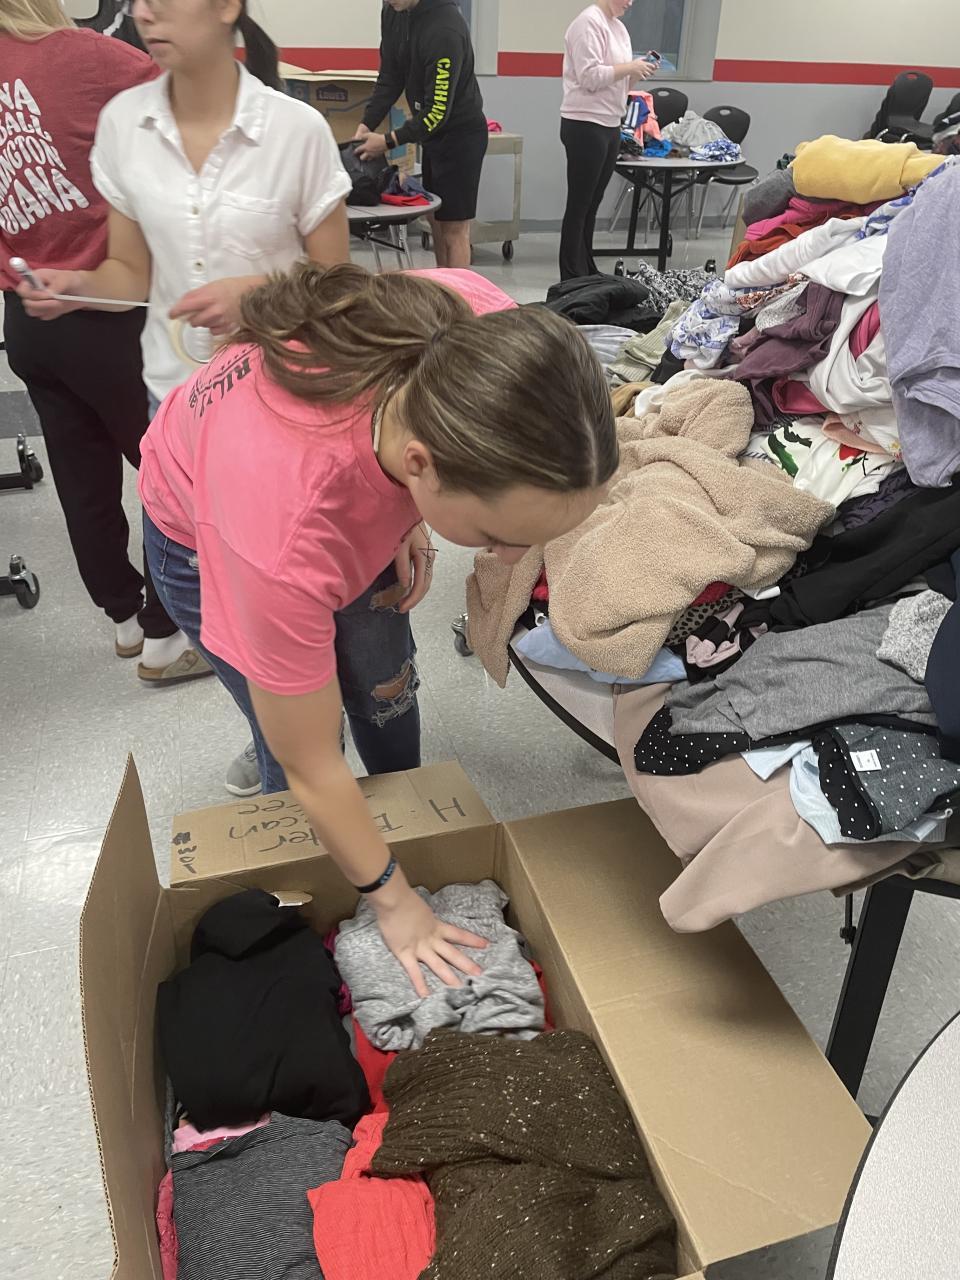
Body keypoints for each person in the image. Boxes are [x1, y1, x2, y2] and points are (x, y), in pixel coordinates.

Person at [138, 261, 618, 993]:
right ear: (422, 462)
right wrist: (394, 903)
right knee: (299, 742)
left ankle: (404, 814)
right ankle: (318, 879)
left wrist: (409, 516)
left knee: (384, 684)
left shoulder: (482, 331)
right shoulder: (282, 537)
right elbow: (311, 765)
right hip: (206, 534)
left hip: (348, 484)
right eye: (497, 536)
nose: (511, 559)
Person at [17, 0, 352, 688]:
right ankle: (269, 726)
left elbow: (340, 284)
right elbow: (129, 273)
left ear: (227, 6)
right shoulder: (124, 124)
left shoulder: (295, 129)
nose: (145, 13)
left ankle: (320, 726)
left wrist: (254, 294)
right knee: (206, 596)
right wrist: (78, 286)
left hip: (286, 402)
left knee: (306, 602)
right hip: (177, 404)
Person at [0, 0, 196, 677]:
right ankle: (167, 633)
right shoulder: (87, 57)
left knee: (80, 475)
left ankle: (123, 618)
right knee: (173, 471)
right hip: (107, 306)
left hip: (27, 311)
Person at [354, 0, 487, 270]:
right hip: (432, 136)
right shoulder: (394, 11)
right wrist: (366, 125)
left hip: (460, 136)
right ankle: (442, 290)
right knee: (436, 221)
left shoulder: (445, 29)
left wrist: (388, 141)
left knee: (454, 229)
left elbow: (437, 111)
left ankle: (458, 296)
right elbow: (390, 77)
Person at [560, 0, 656, 280]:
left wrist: (636, 72)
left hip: (611, 123)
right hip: (584, 123)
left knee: (593, 203)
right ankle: (571, 275)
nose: (630, 3)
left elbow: (619, 83)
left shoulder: (619, 29)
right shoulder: (588, 23)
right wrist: (628, 67)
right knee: (579, 204)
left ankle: (586, 267)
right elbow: (589, 77)